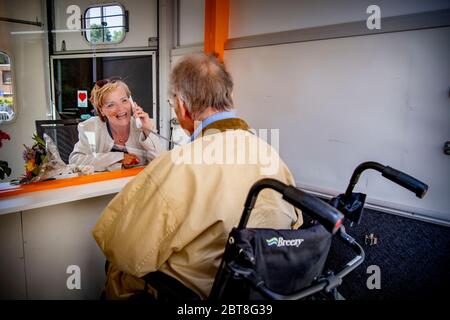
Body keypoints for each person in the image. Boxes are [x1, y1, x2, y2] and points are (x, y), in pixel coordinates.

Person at [92, 53, 302, 299]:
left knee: (117, 272)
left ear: (182, 106)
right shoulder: (271, 155)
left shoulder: (179, 165)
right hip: (257, 290)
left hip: (193, 295)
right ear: (229, 96)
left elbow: (124, 249)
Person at [69, 79, 162, 171]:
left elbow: (162, 164)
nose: (120, 108)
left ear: (132, 103)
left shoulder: (144, 124)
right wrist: (118, 158)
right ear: (102, 111)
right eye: (111, 105)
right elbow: (75, 160)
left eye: (124, 100)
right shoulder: (90, 127)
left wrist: (148, 131)